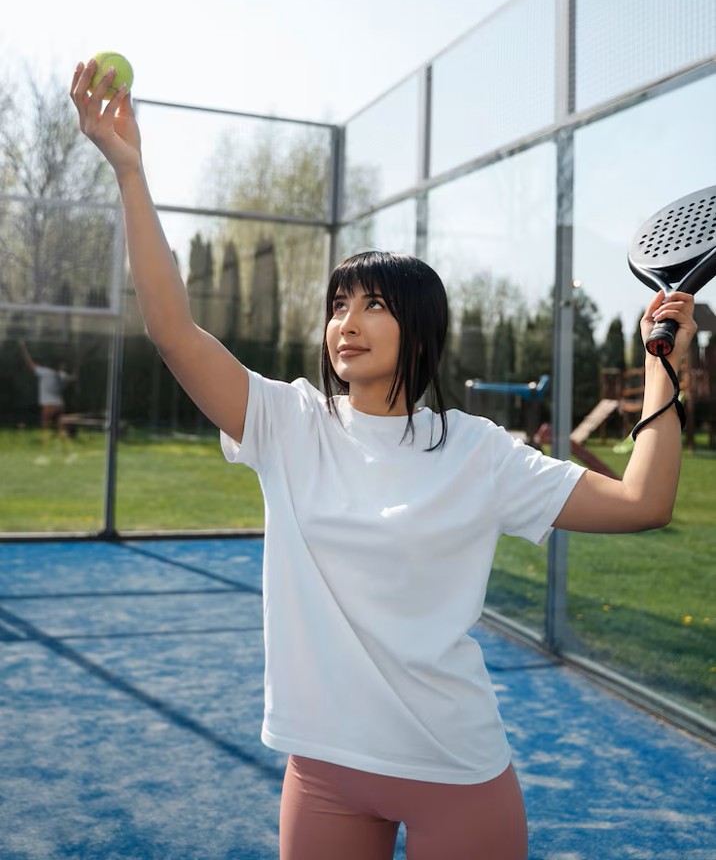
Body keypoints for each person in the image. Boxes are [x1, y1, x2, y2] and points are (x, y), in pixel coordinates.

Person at [70, 58, 697, 860]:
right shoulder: (286, 421)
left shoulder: (478, 452)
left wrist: (661, 367)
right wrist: (130, 171)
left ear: (422, 332)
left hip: (455, 771)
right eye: (339, 303)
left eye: (374, 304)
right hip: (325, 772)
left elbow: (645, 501)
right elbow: (172, 329)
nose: (347, 320)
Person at [18, 340, 75, 440]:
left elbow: (30, 363)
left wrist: (23, 348)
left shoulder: (45, 372)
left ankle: (46, 442)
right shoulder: (63, 375)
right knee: (60, 425)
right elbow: (71, 379)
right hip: (59, 404)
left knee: (45, 424)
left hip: (48, 404)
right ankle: (66, 439)